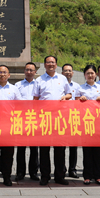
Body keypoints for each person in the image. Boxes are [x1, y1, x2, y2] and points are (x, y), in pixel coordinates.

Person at [33, 55, 72, 186]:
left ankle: (59, 176)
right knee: (44, 150)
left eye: (53, 62)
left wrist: (65, 97)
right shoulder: (39, 80)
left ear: (56, 65)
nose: (51, 64)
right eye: (48, 62)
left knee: (60, 149)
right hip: (44, 118)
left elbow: (69, 94)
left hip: (60, 118)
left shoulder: (62, 78)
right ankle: (45, 176)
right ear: (44, 65)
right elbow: (35, 99)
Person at [0, 65, 22, 186]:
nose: (2, 74)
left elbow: (19, 106)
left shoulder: (14, 89)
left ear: (9, 75)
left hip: (9, 125)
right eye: (0, 72)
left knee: (8, 153)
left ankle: (7, 177)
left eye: (4, 72)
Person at [75, 64, 100, 185]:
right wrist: (80, 100)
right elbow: (75, 104)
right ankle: (87, 176)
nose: (90, 75)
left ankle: (98, 176)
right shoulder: (80, 88)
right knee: (87, 151)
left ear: (96, 74)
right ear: (84, 75)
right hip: (86, 123)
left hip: (98, 123)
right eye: (88, 73)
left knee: (98, 151)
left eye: (92, 73)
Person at [15, 62, 40, 182]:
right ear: (24, 71)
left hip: (35, 118)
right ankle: (20, 172)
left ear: (35, 72)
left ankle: (33, 172)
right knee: (21, 148)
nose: (29, 72)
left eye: (31, 70)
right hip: (21, 119)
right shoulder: (18, 85)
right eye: (27, 70)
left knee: (34, 148)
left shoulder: (39, 84)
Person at [61, 63, 79, 179]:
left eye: (70, 71)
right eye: (65, 71)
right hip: (61, 117)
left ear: (72, 73)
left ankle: (72, 169)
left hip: (73, 117)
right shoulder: (59, 84)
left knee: (73, 146)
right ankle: (62, 168)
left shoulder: (77, 86)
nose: (68, 72)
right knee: (61, 146)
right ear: (62, 73)